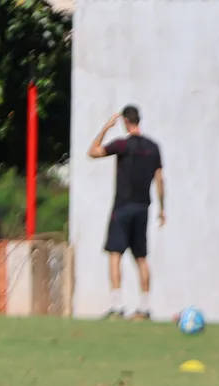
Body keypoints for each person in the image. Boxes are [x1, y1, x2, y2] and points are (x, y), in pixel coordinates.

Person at [87, 105, 165, 320]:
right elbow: (159, 179)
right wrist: (162, 208)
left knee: (115, 254)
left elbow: (93, 152)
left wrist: (105, 128)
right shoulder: (153, 148)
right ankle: (145, 307)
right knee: (141, 257)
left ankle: (117, 305)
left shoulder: (122, 145)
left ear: (125, 122)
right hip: (143, 207)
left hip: (122, 207)